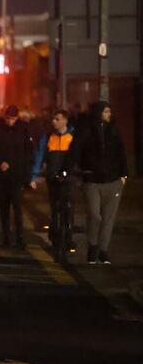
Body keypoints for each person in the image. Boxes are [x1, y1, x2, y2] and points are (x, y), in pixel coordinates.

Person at [70, 101, 127, 264]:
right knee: (94, 215)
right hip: (92, 180)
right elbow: (75, 150)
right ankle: (92, 246)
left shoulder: (113, 130)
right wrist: (69, 170)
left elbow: (121, 152)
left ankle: (103, 251)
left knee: (109, 218)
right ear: (98, 113)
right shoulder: (86, 130)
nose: (109, 114)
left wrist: (124, 176)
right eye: (106, 112)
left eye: (109, 111)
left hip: (113, 180)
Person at [30, 109, 75, 258]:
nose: (53, 122)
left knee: (68, 209)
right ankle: (56, 238)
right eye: (53, 119)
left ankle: (67, 237)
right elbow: (39, 157)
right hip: (53, 179)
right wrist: (34, 176)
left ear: (65, 120)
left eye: (57, 119)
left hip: (69, 180)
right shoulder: (48, 137)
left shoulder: (73, 136)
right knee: (55, 209)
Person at [0, 105, 33, 249]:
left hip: (17, 175)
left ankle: (20, 237)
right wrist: (0, 161)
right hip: (2, 176)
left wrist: (26, 175)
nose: (10, 122)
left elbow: (27, 151)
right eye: (8, 118)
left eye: (13, 119)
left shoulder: (23, 128)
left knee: (18, 208)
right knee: (4, 208)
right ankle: (6, 237)